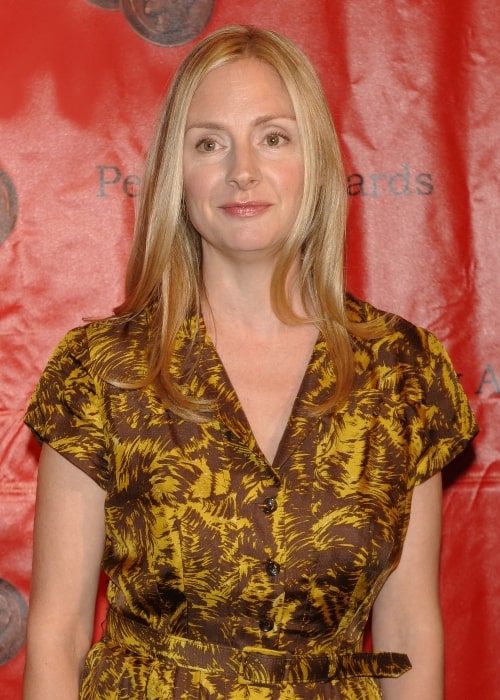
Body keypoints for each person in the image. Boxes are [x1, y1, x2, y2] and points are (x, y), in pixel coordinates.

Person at [22, 24, 478, 700]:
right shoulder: (103, 371)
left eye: (273, 137)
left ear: (316, 161)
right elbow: (57, 637)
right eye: (210, 143)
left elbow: (408, 628)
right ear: (180, 175)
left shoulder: (401, 371)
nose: (242, 170)